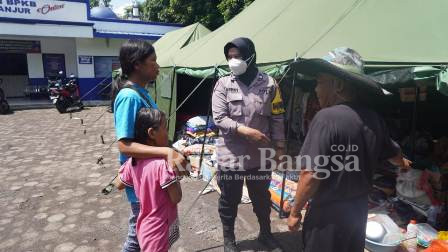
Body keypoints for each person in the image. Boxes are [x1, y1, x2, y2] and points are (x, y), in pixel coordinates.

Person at [286, 47, 412, 252]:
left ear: (339, 85)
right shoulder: (374, 118)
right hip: (358, 212)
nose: (315, 89)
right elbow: (395, 155)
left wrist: (295, 212)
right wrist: (404, 164)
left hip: (328, 216)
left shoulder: (326, 118)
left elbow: (310, 174)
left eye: (319, 82)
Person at [212, 37, 286, 252]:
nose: (233, 61)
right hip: (231, 155)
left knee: (261, 198)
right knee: (229, 200)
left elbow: (278, 116)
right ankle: (229, 240)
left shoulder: (270, 83)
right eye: (230, 57)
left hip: (259, 155)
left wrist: (280, 148)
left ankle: (265, 233)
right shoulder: (223, 84)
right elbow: (219, 117)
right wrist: (244, 130)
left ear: (251, 56)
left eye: (238, 56)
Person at [114, 39, 187, 252]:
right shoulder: (129, 97)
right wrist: (166, 152)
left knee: (141, 237)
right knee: (139, 239)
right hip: (144, 185)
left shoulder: (142, 92)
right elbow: (125, 146)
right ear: (137, 64)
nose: (157, 66)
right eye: (153, 61)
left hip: (150, 181)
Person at [118, 108, 181, 252]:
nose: (168, 132)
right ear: (152, 133)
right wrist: (176, 173)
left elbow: (119, 184)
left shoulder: (132, 162)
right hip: (158, 229)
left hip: (144, 224)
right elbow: (176, 197)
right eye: (165, 127)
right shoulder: (162, 165)